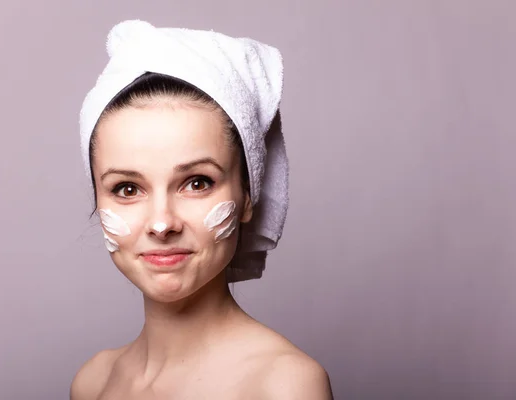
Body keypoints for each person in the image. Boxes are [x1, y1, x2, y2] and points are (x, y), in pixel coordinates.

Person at [70, 20, 333, 399]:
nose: (161, 223)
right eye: (127, 188)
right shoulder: (92, 383)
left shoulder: (285, 385)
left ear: (246, 195)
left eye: (197, 183)